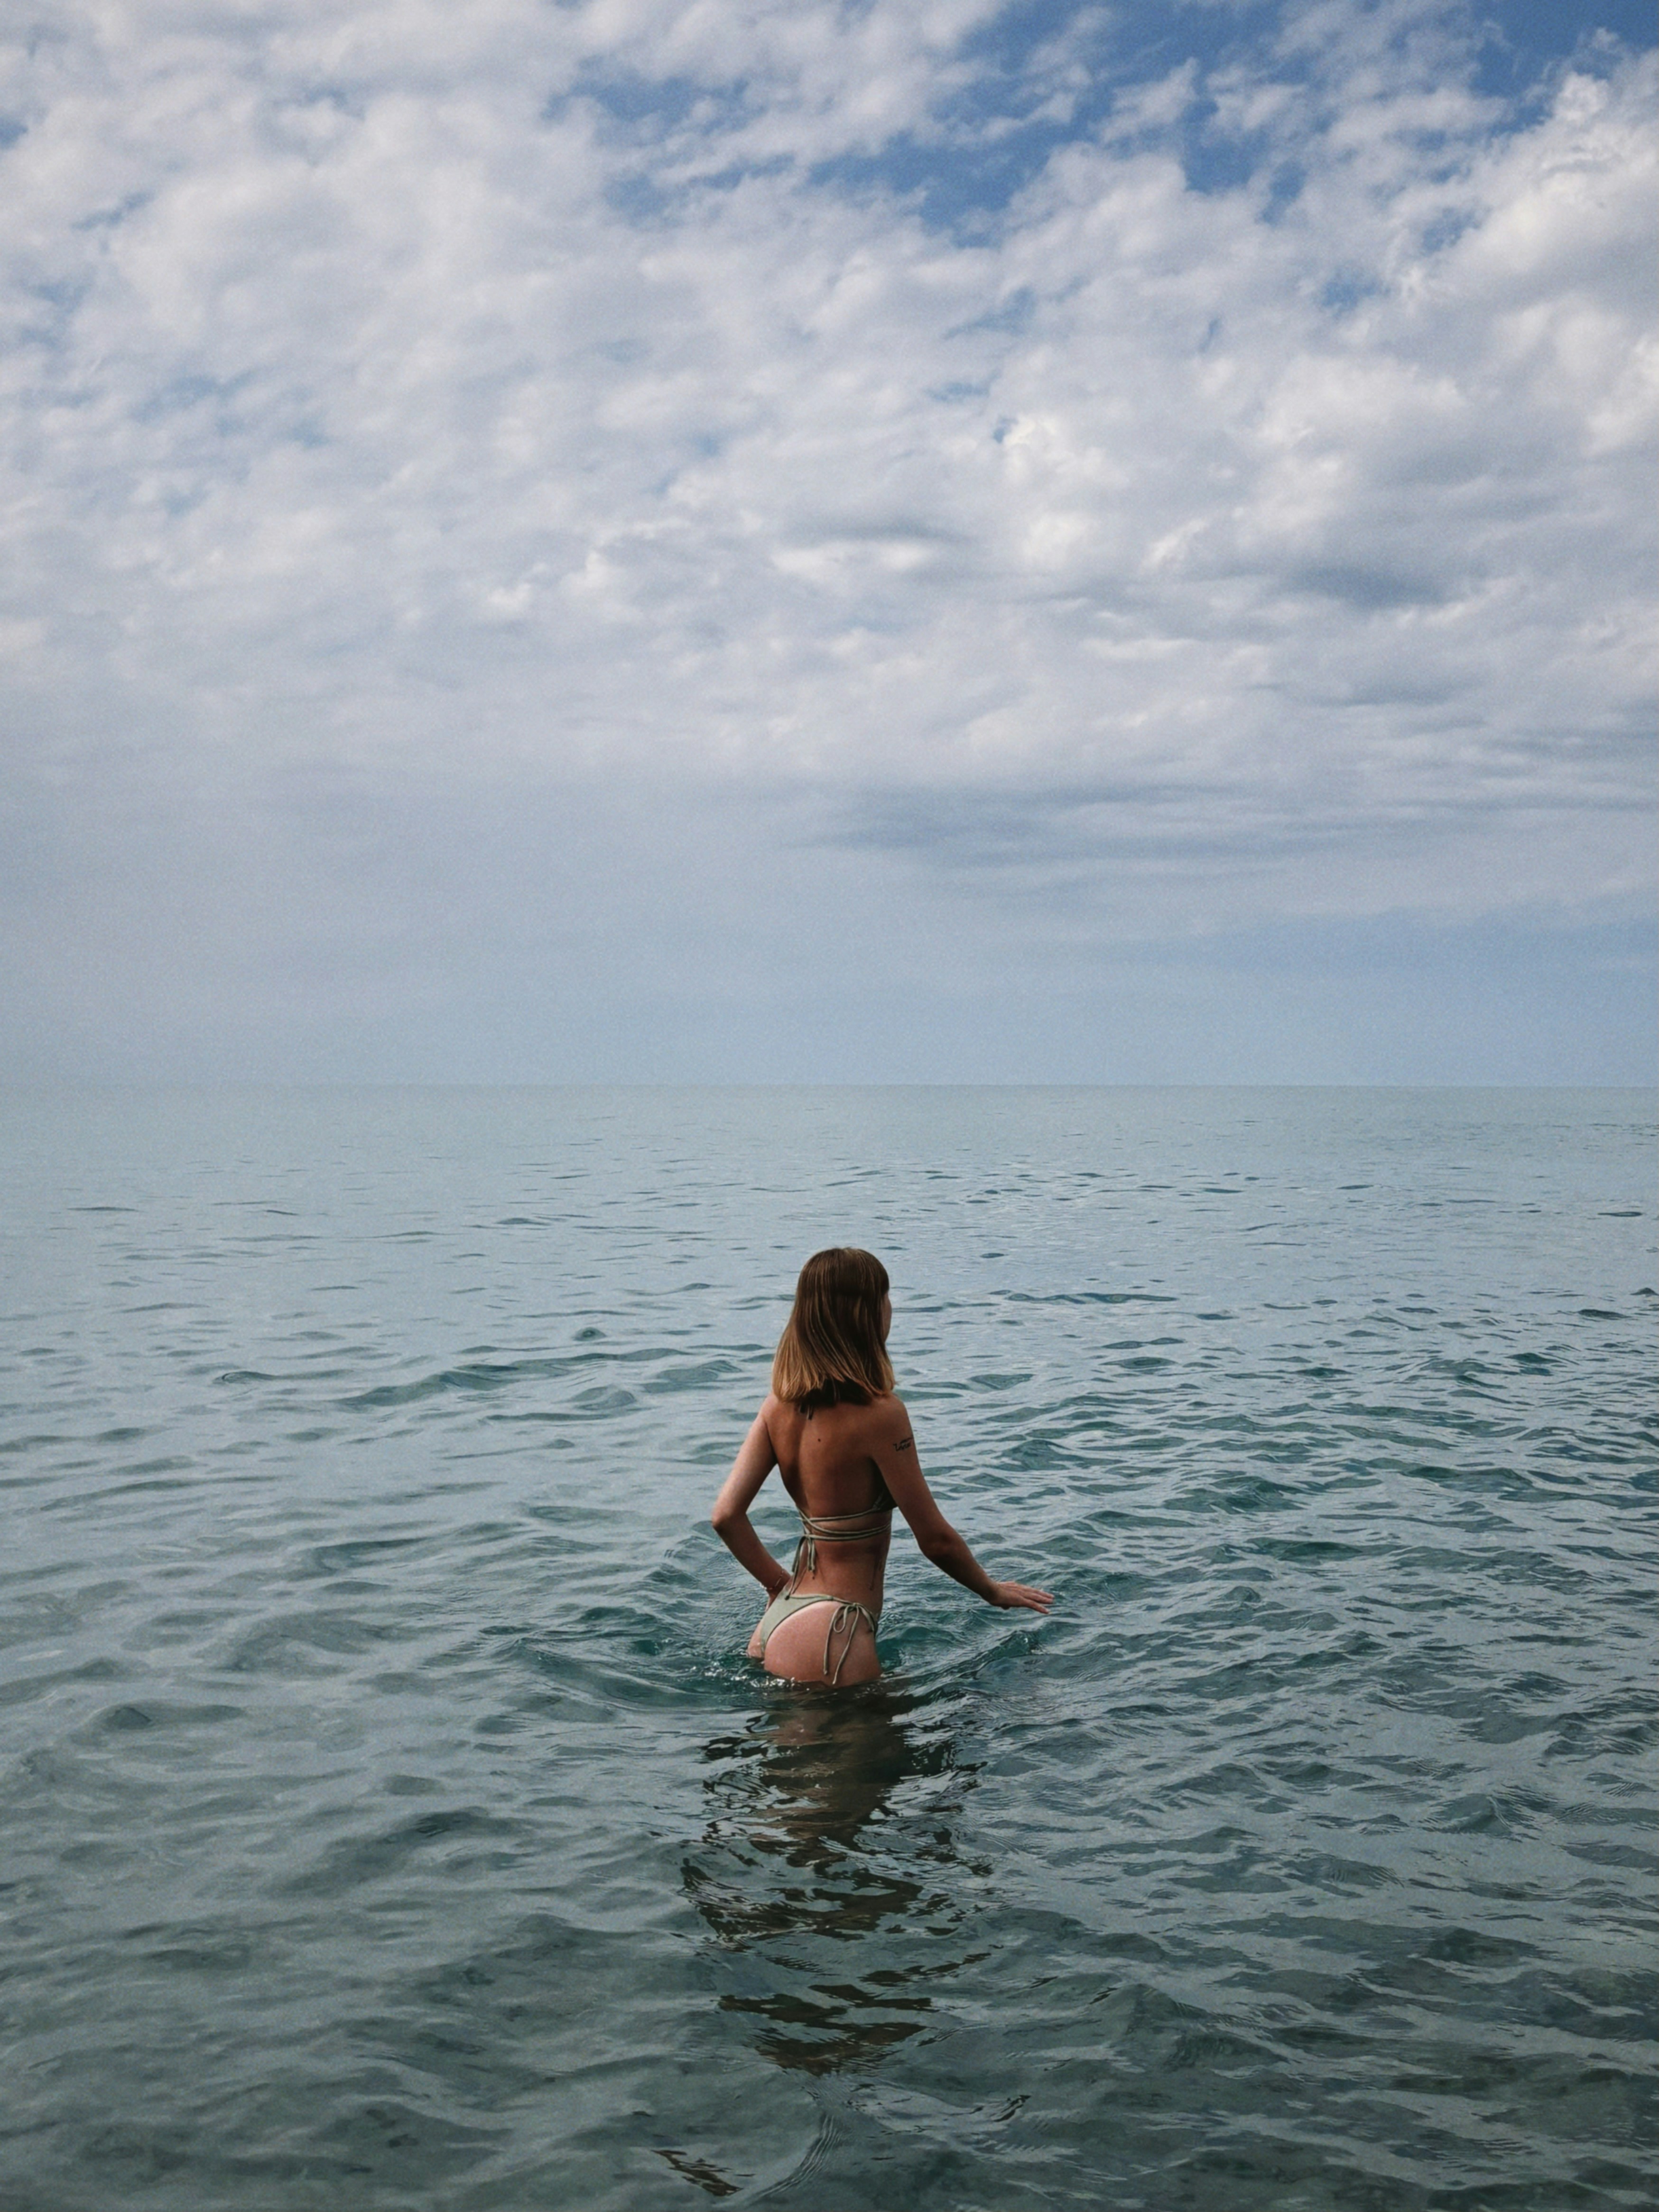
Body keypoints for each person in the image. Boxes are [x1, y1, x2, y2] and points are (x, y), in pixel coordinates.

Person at [711, 1248, 1053, 1686]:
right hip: (835, 1628)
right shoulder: (880, 1414)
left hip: (777, 1622)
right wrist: (992, 1591)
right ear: (864, 1314)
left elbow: (725, 1515)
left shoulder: (777, 1406)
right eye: (885, 1296)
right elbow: (935, 1538)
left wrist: (777, 1584)